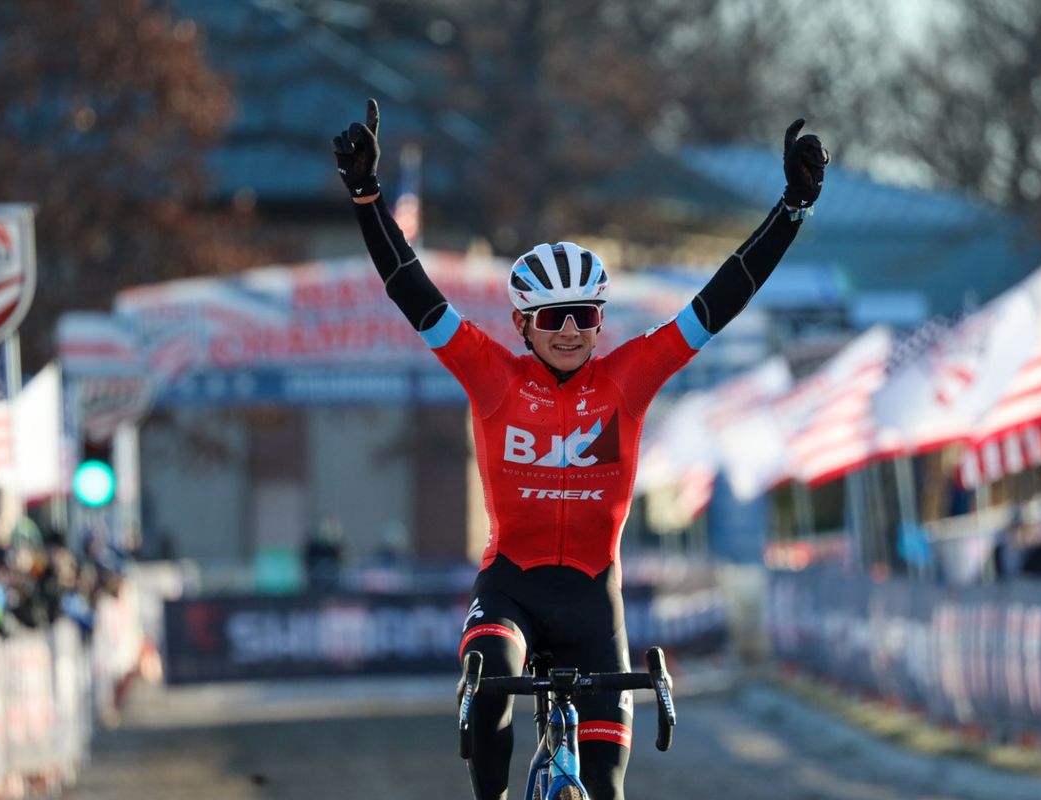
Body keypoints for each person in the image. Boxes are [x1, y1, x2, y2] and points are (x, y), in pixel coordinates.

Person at [333, 99, 827, 800]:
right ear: (523, 326)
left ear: (600, 322)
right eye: (552, 318)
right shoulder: (490, 375)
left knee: (606, 784)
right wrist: (366, 197)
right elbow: (410, 289)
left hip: (595, 601)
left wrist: (794, 206)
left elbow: (723, 296)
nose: (570, 330)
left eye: (584, 316)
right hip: (512, 589)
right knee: (489, 691)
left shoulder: (628, 378)